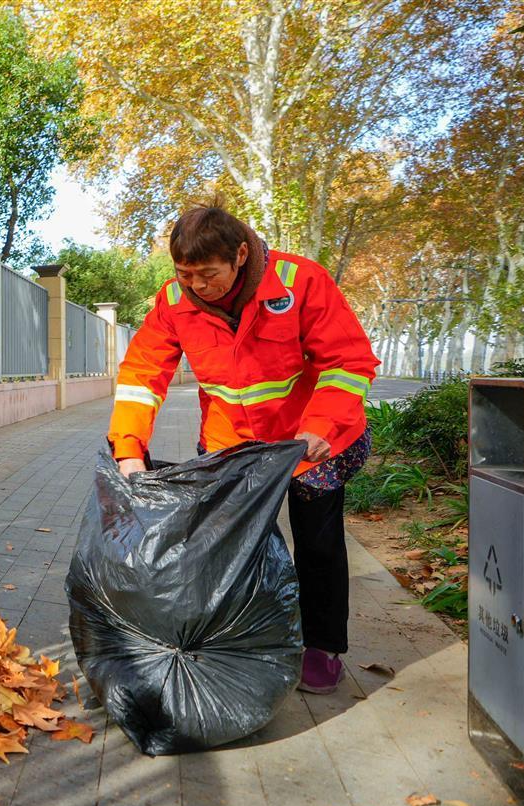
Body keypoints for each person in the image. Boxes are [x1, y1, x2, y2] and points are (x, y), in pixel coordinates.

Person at [108, 200, 379, 694]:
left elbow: (348, 361)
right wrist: (129, 449)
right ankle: (241, 637)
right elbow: (141, 376)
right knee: (231, 544)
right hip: (232, 442)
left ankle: (321, 646)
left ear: (239, 255)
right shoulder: (173, 301)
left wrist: (319, 426)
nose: (196, 286)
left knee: (316, 543)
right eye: (184, 273)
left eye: (207, 273)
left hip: (310, 444)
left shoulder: (301, 283)